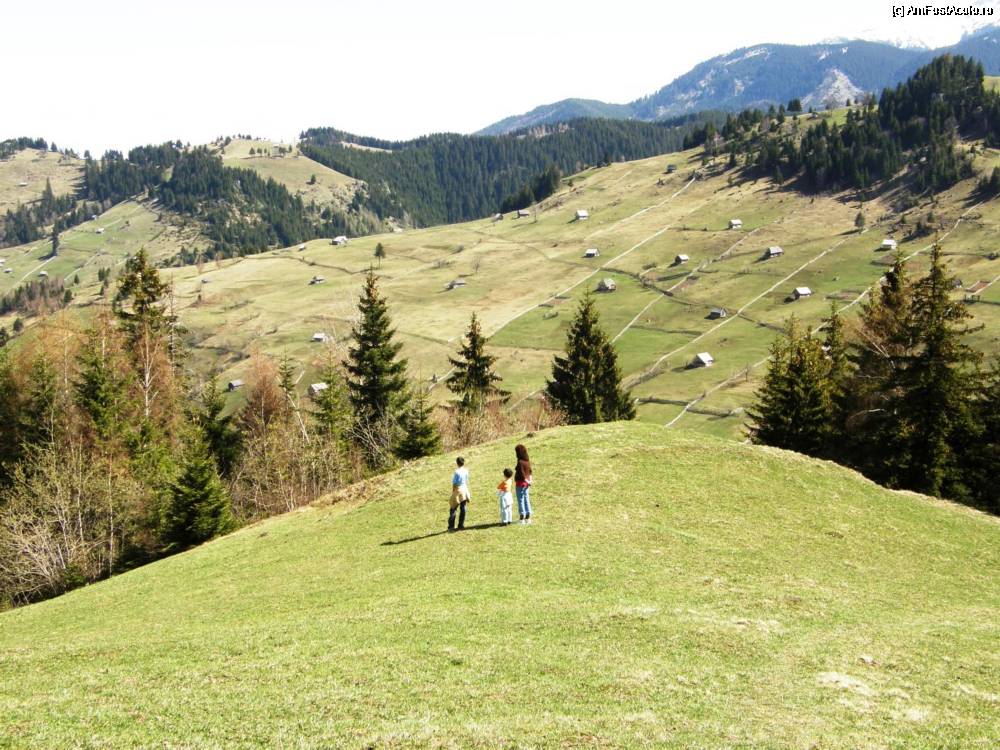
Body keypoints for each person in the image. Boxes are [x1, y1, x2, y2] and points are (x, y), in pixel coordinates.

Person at [449, 456, 471, 531]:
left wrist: (453, 492)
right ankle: (461, 525)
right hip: (464, 489)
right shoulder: (466, 471)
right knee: (463, 507)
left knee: (453, 508)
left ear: (457, 463)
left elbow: (454, 483)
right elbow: (466, 480)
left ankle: (451, 526)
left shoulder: (457, 472)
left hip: (458, 489)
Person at [514, 444, 533, 524]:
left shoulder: (520, 462)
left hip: (520, 484)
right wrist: (529, 481)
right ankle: (528, 518)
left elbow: (522, 474)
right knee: (526, 499)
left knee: (521, 500)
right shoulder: (527, 461)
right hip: (527, 484)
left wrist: (526, 480)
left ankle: (522, 518)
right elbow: (530, 472)